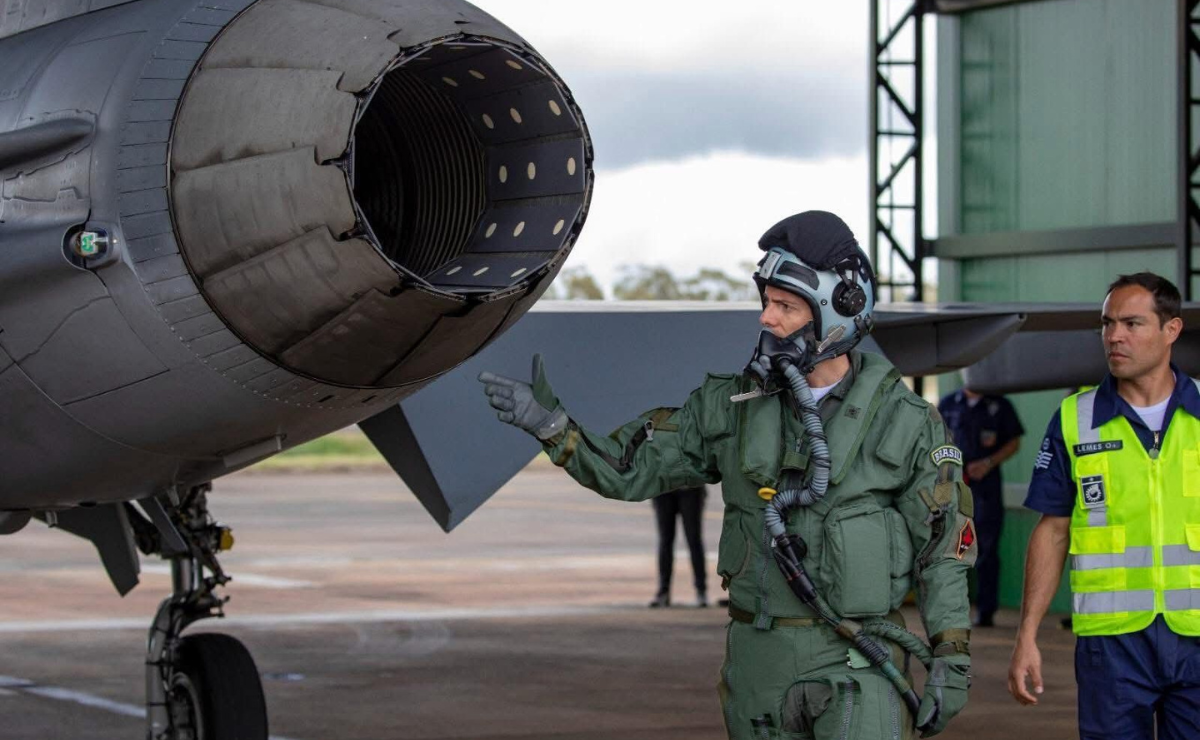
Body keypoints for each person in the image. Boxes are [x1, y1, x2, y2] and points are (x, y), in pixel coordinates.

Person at [480, 211, 975, 739]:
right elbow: (630, 470)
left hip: (858, 661)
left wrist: (951, 659)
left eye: (785, 306)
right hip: (759, 663)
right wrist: (554, 427)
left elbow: (942, 550)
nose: (766, 318)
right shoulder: (730, 407)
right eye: (767, 302)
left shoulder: (907, 423)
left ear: (840, 311)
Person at [1008, 272, 1200, 740]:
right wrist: (1026, 633)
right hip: (1111, 646)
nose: (1114, 336)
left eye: (1132, 324)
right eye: (1107, 323)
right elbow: (1053, 530)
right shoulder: (1075, 419)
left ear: (1171, 330)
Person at [938, 384, 1023, 627]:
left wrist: (988, 463)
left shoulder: (999, 405)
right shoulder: (948, 404)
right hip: (954, 485)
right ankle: (950, 610)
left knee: (986, 550)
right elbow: (934, 441)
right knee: (951, 549)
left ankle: (985, 611)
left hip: (986, 488)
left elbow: (1013, 441)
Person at [649, 486, 709, 608]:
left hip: (690, 487)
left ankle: (701, 590)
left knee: (693, 539)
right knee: (666, 540)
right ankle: (663, 591)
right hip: (663, 488)